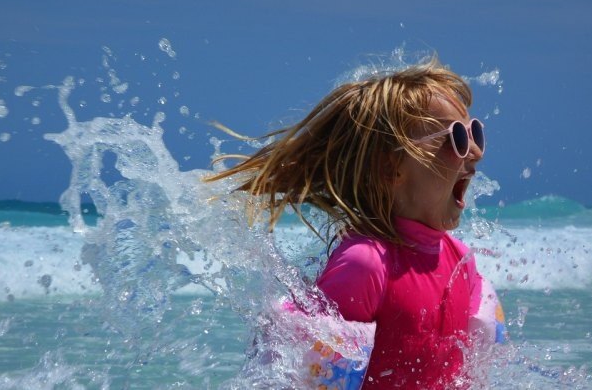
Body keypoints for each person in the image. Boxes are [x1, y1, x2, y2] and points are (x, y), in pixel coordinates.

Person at [205, 56, 495, 389]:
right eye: (455, 138)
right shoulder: (368, 264)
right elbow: (311, 377)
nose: (475, 151)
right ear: (391, 168)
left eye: (474, 132)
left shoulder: (460, 260)